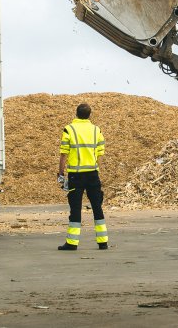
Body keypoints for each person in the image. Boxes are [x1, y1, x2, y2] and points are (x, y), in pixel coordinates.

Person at [57, 103, 108, 251]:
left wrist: (61, 173)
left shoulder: (69, 129)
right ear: (89, 115)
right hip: (93, 174)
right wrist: (97, 171)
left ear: (76, 113)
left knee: (75, 208)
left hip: (76, 176)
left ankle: (72, 243)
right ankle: (103, 242)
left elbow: (64, 153)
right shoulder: (96, 130)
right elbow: (100, 153)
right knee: (97, 207)